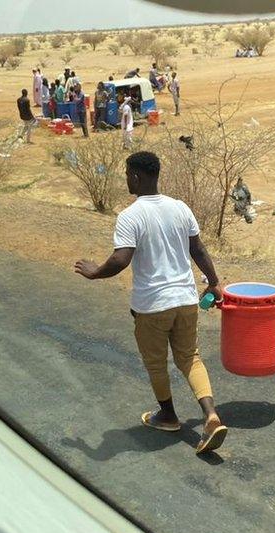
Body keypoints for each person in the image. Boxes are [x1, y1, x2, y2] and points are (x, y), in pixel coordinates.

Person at [74, 151, 229, 455]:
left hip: (153, 305)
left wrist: (94, 273)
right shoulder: (180, 208)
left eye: (127, 173)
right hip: (185, 299)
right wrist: (214, 282)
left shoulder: (131, 216)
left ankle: (169, 416)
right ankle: (211, 415)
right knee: (189, 357)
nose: (126, 178)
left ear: (137, 176)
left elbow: (121, 259)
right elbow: (197, 248)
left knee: (156, 362)